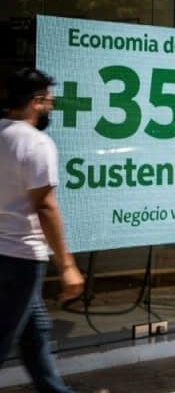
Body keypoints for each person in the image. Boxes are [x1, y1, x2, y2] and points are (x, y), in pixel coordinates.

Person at [0, 68, 84, 393]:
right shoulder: (36, 143)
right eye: (50, 101)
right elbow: (45, 206)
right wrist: (67, 265)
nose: (51, 107)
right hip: (20, 257)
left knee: (35, 337)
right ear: (36, 101)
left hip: (7, 254)